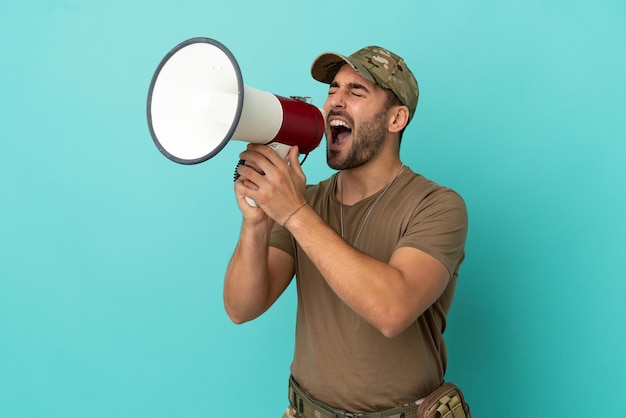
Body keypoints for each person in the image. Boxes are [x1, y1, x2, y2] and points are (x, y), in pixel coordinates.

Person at [224, 45, 469, 418]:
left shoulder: (437, 205)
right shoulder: (306, 202)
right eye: (332, 90)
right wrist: (256, 221)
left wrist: (291, 210)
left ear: (396, 118)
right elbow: (241, 307)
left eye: (356, 92)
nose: (335, 102)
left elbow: (392, 310)